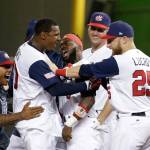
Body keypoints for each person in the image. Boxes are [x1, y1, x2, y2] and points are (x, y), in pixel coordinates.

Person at [55, 20, 150, 150]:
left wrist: (57, 71)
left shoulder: (120, 61)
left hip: (131, 124)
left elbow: (85, 70)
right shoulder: (147, 60)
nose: (108, 45)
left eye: (111, 40)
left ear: (124, 39)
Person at [7, 18, 95, 150]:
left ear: (79, 46)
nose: (60, 41)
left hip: (64, 124)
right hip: (37, 122)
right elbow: (55, 89)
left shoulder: (27, 48)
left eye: (67, 42)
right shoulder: (35, 59)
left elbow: (56, 70)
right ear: (43, 35)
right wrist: (86, 85)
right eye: (56, 35)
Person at [61, 12, 114, 150]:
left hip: (105, 117)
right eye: (93, 28)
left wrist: (100, 119)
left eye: (100, 29)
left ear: (108, 31)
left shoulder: (112, 54)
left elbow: (116, 91)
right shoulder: (83, 54)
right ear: (88, 28)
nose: (96, 32)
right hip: (82, 115)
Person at [0, 51, 44, 150]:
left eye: (10, 66)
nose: (9, 70)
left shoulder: (2, 88)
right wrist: (21, 115)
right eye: (5, 67)